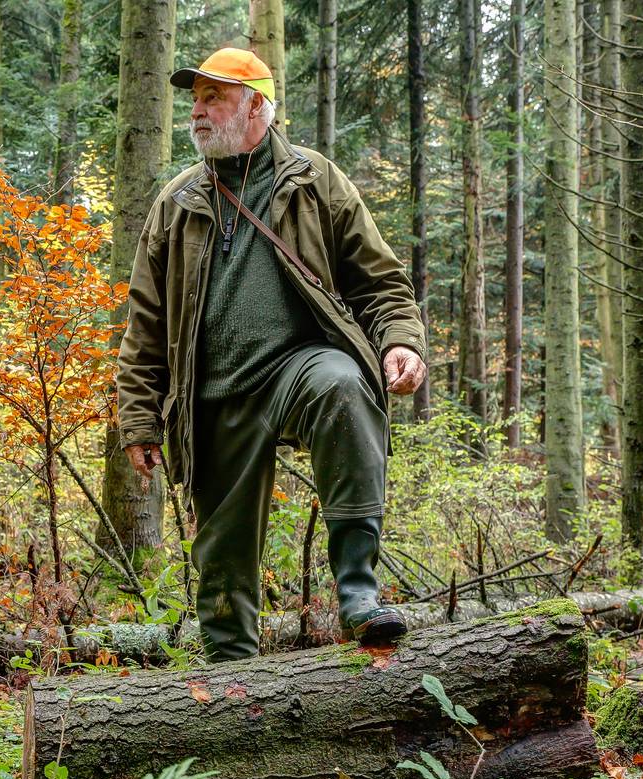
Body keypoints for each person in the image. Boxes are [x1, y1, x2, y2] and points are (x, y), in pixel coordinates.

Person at [115, 48, 427, 662]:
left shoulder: (314, 181)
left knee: (341, 383)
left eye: (215, 99)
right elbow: (145, 322)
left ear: (257, 105)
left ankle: (359, 596)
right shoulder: (177, 203)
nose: (199, 113)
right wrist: (140, 417)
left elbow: (380, 280)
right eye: (196, 100)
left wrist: (399, 340)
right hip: (211, 398)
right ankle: (233, 695)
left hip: (296, 368)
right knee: (223, 566)